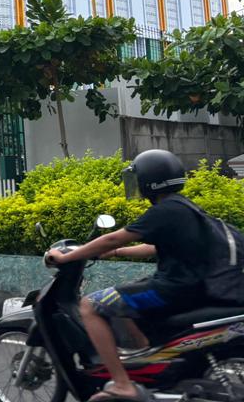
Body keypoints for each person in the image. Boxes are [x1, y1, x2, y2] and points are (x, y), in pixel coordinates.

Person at [46, 150, 208, 402]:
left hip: (173, 287)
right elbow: (154, 247)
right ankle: (147, 360)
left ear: (150, 181)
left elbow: (113, 236)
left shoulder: (163, 211)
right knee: (125, 296)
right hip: (190, 284)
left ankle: (122, 384)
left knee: (90, 305)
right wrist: (117, 252)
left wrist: (67, 257)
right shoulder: (185, 207)